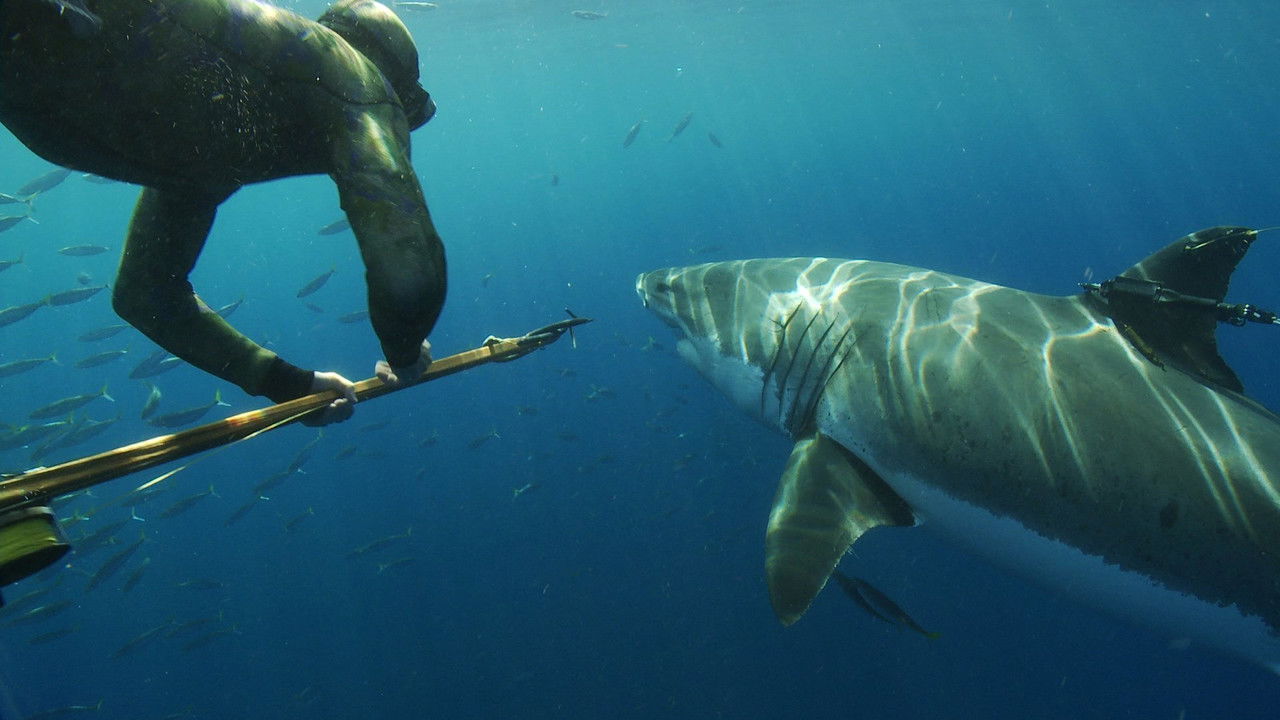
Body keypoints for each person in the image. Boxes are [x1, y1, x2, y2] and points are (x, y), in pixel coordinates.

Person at [0, 0, 446, 425]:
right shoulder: (358, 79)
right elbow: (407, 270)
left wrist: (290, 385)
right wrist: (405, 352)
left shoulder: (215, 141)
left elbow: (147, 297)